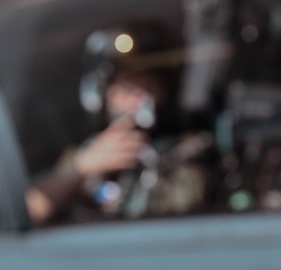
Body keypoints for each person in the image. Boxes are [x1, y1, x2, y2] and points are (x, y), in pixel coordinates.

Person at [26, 24, 215, 225]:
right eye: (127, 88)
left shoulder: (189, 155)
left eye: (149, 87)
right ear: (100, 97)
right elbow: (30, 210)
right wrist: (82, 169)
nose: (139, 101)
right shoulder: (80, 159)